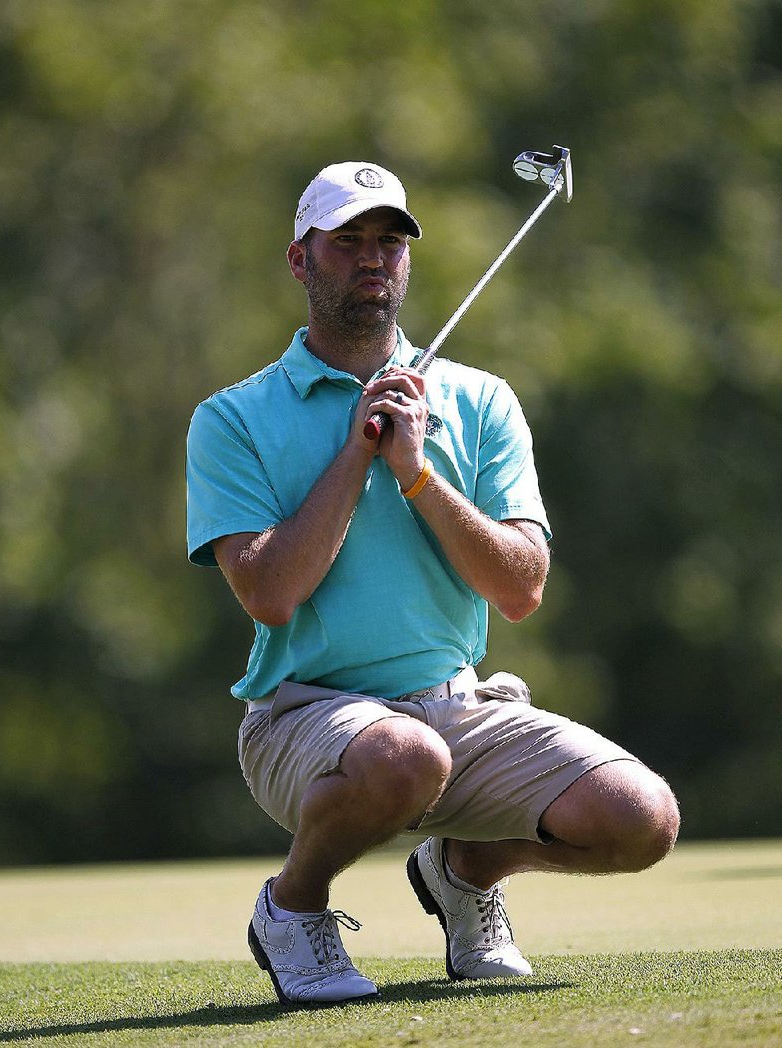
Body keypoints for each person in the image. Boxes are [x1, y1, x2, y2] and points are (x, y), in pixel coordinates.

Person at [186, 160, 680, 1006]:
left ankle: (466, 868)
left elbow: (521, 588)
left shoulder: (481, 402)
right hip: (302, 717)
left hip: (458, 708)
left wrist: (416, 473)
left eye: (389, 243)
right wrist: (355, 451)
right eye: (348, 243)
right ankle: (292, 906)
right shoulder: (233, 417)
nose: (373, 259)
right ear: (301, 260)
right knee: (406, 755)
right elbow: (269, 593)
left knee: (643, 820)